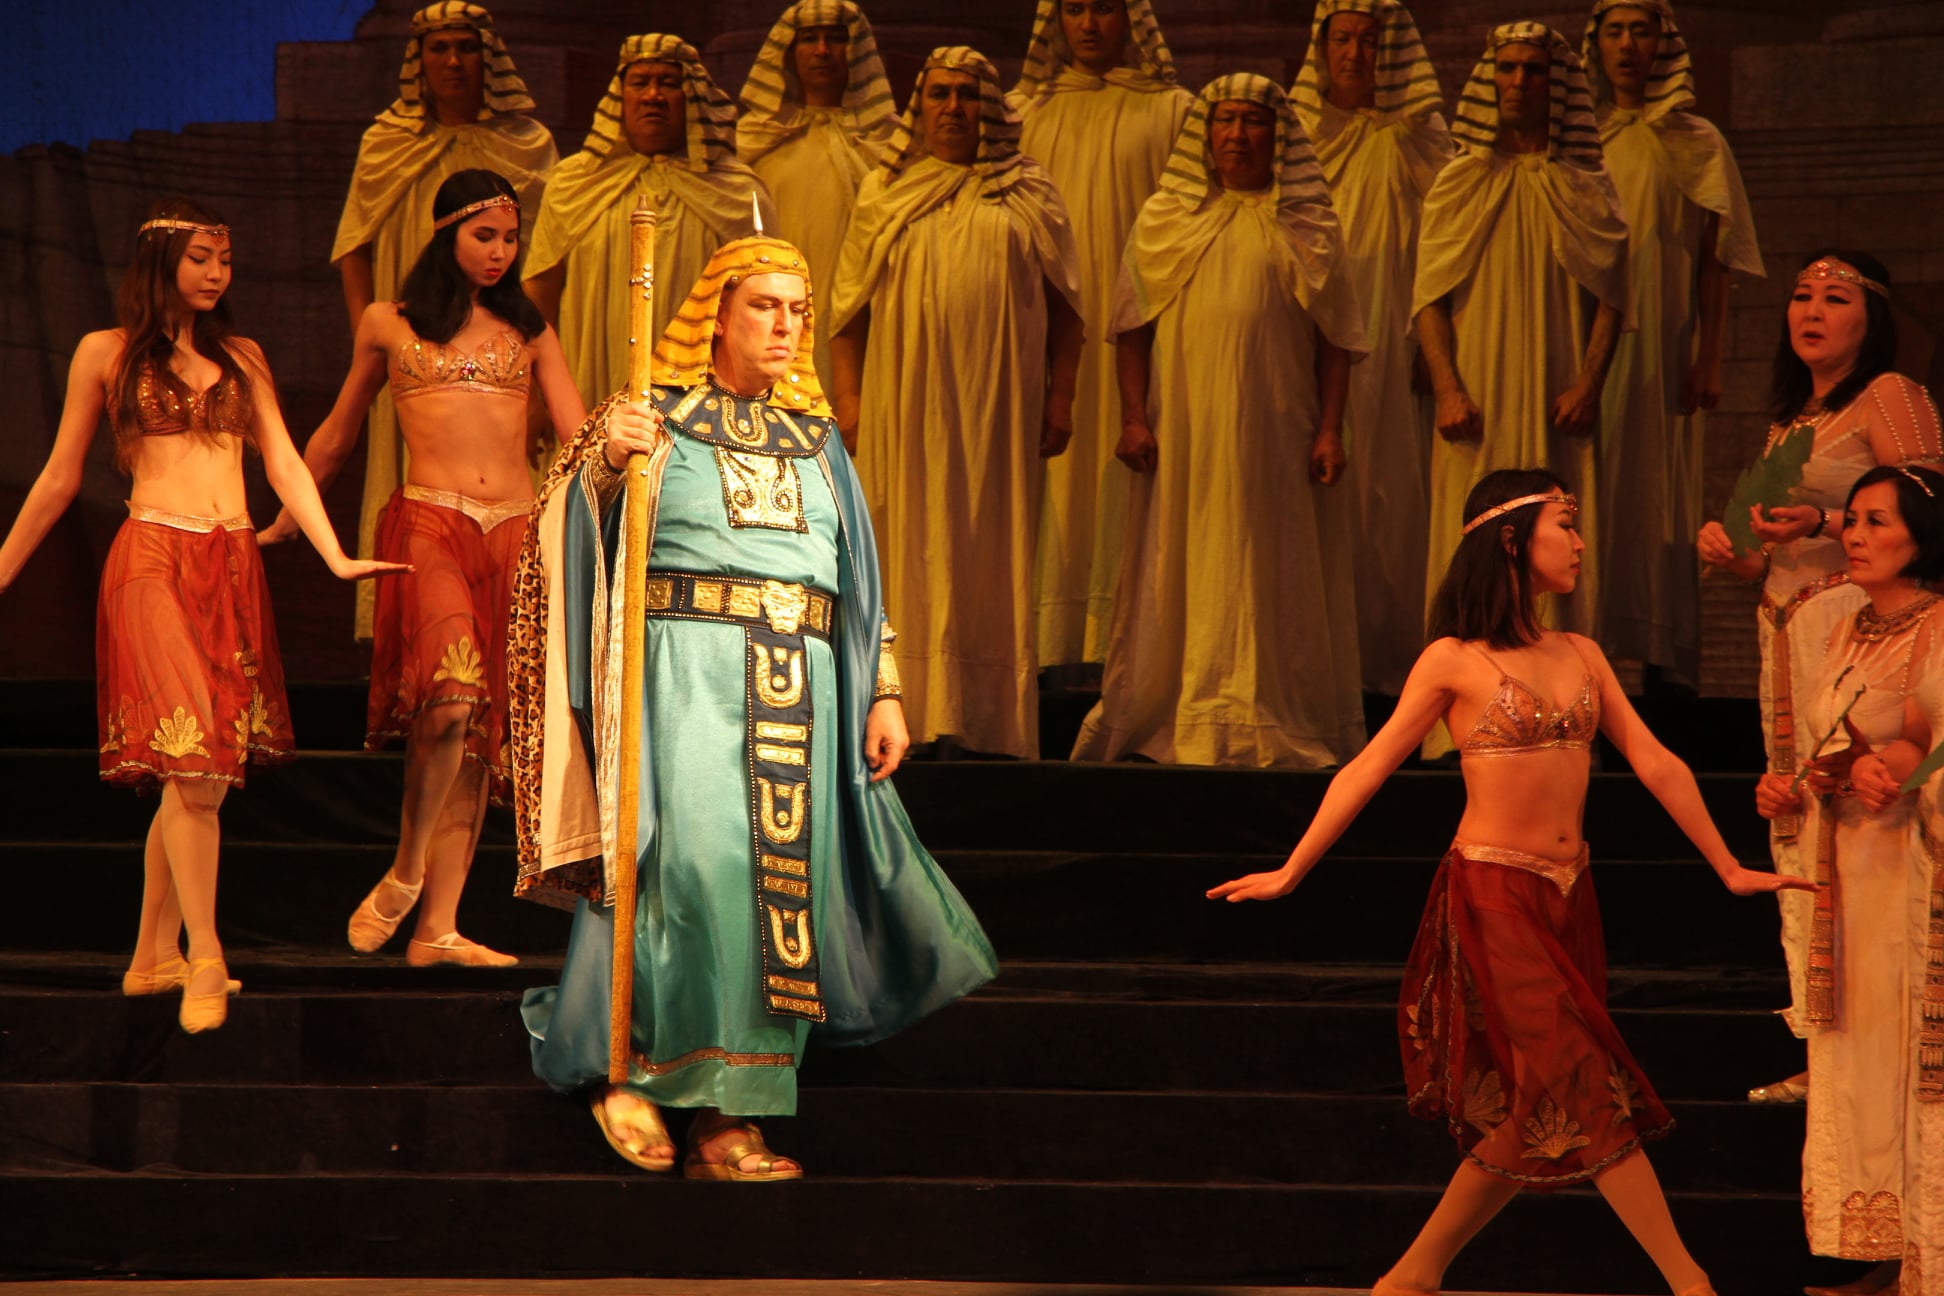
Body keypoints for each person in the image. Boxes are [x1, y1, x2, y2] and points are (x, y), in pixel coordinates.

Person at [1211, 467, 1808, 1296]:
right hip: (1493, 894)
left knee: (1541, 1099)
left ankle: (1414, 1275)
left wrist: (1728, 865)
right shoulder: (1452, 660)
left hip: (1569, 894)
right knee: (1583, 1082)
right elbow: (1367, 767)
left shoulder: (1582, 653)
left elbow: (1656, 761)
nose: (1579, 542)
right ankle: (1690, 1283)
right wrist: (1291, 869)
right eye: (1565, 523)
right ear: (1511, 540)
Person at [512, 236, 997, 1181]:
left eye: (797, 311)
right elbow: (565, 531)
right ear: (717, 316)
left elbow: (854, 574)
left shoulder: (819, 443)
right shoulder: (653, 416)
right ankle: (625, 1069)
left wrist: (883, 688)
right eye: (764, 306)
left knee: (781, 889)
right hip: (684, 674)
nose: (785, 326)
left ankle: (731, 1111)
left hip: (802, 683)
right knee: (682, 867)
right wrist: (604, 462)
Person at [0, 200, 405, 1032]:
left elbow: (283, 461)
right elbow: (59, 476)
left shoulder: (241, 356)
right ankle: (207, 954)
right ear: (161, 262)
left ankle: (153, 956)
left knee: (206, 779)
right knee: (191, 763)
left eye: (225, 259)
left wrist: (333, 554)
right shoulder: (105, 352)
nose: (217, 273)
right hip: (150, 558)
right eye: (201, 258)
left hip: (230, 564)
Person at [263, 170, 587, 968]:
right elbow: (338, 432)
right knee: (450, 698)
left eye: (510, 239)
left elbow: (580, 439)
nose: (500, 253)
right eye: (485, 236)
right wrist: (289, 518)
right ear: (445, 234)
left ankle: (437, 929)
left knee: (483, 733)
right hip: (432, 522)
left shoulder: (531, 329)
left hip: (515, 532)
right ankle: (407, 872)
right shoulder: (390, 323)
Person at [1696, 251, 1942, 1104]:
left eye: (1835, 298)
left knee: (1861, 814)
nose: (1812, 310)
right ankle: (1820, 1034)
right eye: (1801, 295)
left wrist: (1828, 520)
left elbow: (1931, 506)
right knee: (1798, 818)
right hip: (1790, 630)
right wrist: (1735, 551)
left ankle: (1886, 1031)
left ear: (1871, 318)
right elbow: (1777, 553)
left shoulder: (1890, 395)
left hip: (1864, 630)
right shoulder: (1792, 419)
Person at [1070, 74, 1368, 768]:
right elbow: (1132, 327)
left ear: (1278, 136)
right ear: (1205, 135)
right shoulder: (1165, 219)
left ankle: (1269, 716)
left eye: (1253, 121)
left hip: (1278, 432)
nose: (1237, 135)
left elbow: (1336, 341)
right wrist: (1134, 419)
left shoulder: (1310, 224)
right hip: (1186, 434)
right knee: (1181, 558)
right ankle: (1180, 712)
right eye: (1224, 120)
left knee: (1272, 562)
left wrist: (1330, 429)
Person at [827, 47, 1083, 759]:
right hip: (904, 405)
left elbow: (1069, 310)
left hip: (998, 409)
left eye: (967, 95)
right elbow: (847, 312)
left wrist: (1061, 398)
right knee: (905, 543)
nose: (952, 108)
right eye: (938, 94)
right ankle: (901, 710)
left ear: (991, 109)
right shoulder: (887, 190)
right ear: (920, 106)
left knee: (988, 548)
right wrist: (850, 401)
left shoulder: (1029, 193)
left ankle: (986, 722)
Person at [1755, 465, 1944, 1295]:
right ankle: (1891, 1248)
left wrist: (1893, 770)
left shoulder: (1937, 626)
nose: (1855, 536)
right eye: (1854, 519)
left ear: (1922, 538)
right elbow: (1832, 749)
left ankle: (1928, 1256)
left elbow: (1926, 742)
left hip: (1910, 876)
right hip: (1851, 871)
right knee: (1864, 1054)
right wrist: (1797, 785)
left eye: (1876, 522)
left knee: (1909, 1049)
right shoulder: (1843, 629)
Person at [332, 0, 555, 639]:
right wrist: (374, 342)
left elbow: (545, 257)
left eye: (467, 46)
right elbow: (353, 245)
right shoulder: (388, 142)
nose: (453, 61)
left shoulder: (527, 144)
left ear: (489, 58)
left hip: (501, 341)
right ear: (419, 60)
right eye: (439, 47)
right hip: (416, 338)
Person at [1415, 22, 1627, 668]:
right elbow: (1428, 298)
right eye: (1506, 68)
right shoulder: (1460, 181)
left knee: (1558, 526)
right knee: (1470, 525)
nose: (1518, 82)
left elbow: (1612, 296)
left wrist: (1589, 384)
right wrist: (1447, 389)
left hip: (1558, 396)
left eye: (1533, 70)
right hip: (1476, 395)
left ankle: (1561, 688)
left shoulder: (1585, 183)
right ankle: (1464, 688)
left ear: (1556, 84)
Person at [1007, 0, 1194, 672]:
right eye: (1075, 9)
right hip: (1043, 327)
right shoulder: (1022, 113)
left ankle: (1128, 637)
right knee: (1050, 474)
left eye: (1105, 9)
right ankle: (1046, 642)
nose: (1088, 25)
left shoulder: (1172, 111)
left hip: (1143, 328)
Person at [1584, 0, 1763, 688]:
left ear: (1663, 42)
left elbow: (1718, 257)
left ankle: (1663, 670)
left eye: (1641, 30)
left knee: (1658, 491)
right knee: (1593, 488)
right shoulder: (1580, 138)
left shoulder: (1697, 140)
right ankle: (1582, 655)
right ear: (1596, 43)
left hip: (1666, 340)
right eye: (1615, 31)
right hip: (1588, 344)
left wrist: (1710, 355)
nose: (1628, 44)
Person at [1291, 0, 1454, 696]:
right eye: (1343, 39)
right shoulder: (1296, 134)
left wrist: (1433, 345)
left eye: (1368, 41)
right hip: (1305, 345)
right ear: (1322, 48)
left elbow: (1447, 244)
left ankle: (1393, 667)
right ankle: (1318, 664)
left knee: (1391, 497)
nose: (1355, 54)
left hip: (1394, 343)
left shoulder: (1419, 138)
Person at [526, 34, 775, 409]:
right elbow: (540, 294)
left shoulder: (738, 193)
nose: (653, 96)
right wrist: (537, 397)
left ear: (691, 96)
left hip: (706, 402)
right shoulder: (573, 184)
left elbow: (767, 301)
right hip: (587, 387)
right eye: (640, 82)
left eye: (669, 83)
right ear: (620, 95)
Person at [736, 1, 896, 392]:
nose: (822, 50)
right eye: (810, 39)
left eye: (835, 38)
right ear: (789, 52)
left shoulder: (887, 144)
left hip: (864, 321)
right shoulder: (756, 141)